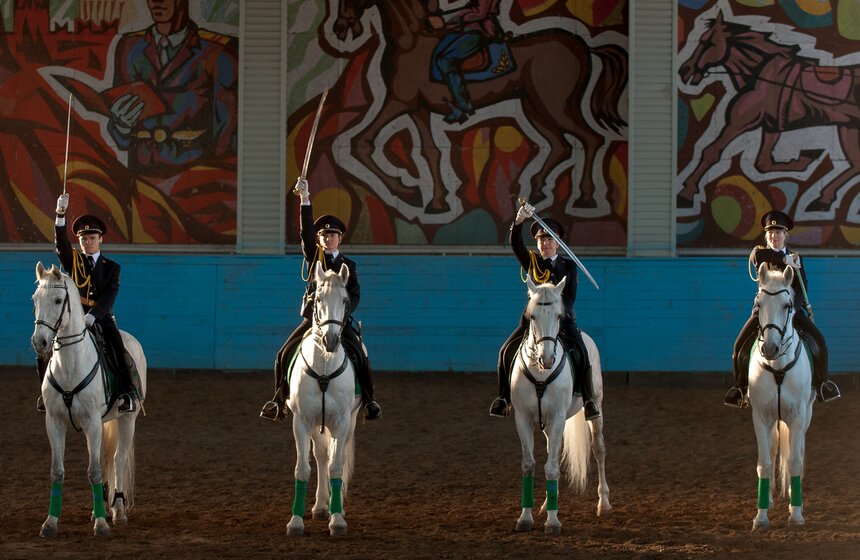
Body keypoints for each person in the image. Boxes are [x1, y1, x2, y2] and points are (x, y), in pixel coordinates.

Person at [260, 178, 382, 422]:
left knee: (361, 355)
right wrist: (305, 198)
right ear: (319, 240)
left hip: (340, 321)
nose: (329, 239)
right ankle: (278, 401)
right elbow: (305, 230)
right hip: (313, 321)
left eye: (333, 235)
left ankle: (369, 401)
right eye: (324, 236)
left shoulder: (349, 265)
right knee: (282, 354)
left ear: (340, 239)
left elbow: (355, 293)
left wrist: (345, 315)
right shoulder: (314, 258)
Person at [489, 202, 600, 420]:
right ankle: (503, 398)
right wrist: (519, 221)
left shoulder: (568, 266)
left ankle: (588, 401)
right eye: (541, 240)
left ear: (558, 243)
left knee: (582, 353)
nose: (546, 244)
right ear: (537, 244)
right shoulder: (531, 262)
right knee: (504, 351)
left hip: (562, 319)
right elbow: (515, 244)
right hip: (533, 321)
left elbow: (569, 297)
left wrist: (558, 315)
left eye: (550, 240)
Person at [725, 210, 840, 408]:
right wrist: (784, 261)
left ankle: (822, 384)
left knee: (820, 342)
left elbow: (802, 289)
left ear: (785, 235)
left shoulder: (797, 258)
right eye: (770, 232)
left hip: (790, 312)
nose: (774, 236)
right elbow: (757, 256)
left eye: (778, 232)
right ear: (766, 235)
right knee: (738, 347)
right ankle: (740, 389)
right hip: (764, 314)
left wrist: (792, 310)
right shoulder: (760, 253)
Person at [36, 193, 139, 413]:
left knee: (117, 347)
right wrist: (60, 214)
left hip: (100, 317)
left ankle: (127, 393)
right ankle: (46, 393)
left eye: (92, 238)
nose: (88, 242)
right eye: (84, 239)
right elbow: (61, 244)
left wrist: (93, 315)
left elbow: (110, 295)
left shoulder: (112, 267)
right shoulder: (73, 261)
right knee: (44, 348)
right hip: (72, 317)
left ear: (100, 239)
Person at [427, 0, 503, 124]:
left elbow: (480, 13)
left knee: (446, 59)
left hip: (479, 30)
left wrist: (445, 20)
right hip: (465, 28)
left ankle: (462, 105)